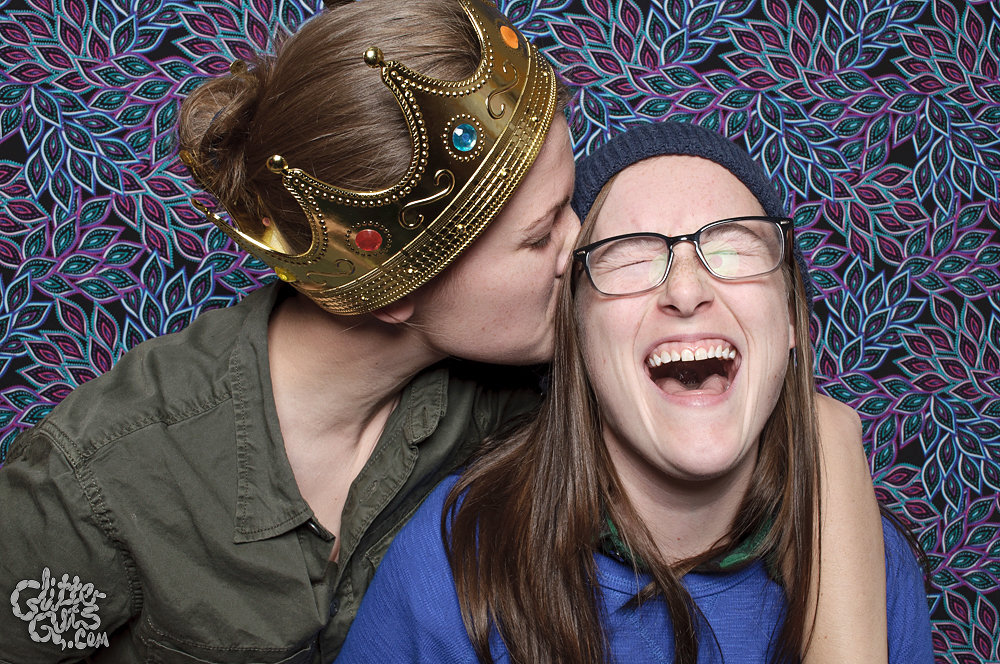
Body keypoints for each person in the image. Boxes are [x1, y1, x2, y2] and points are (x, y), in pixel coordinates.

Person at [0, 1, 885, 662]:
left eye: (570, 204)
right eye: (542, 236)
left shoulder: (528, 396)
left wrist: (830, 437)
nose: (582, 246)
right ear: (395, 290)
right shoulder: (98, 483)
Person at [335, 122, 934, 664]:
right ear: (573, 337)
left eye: (732, 248)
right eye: (630, 259)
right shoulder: (459, 549)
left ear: (792, 320)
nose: (687, 290)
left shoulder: (866, 561)